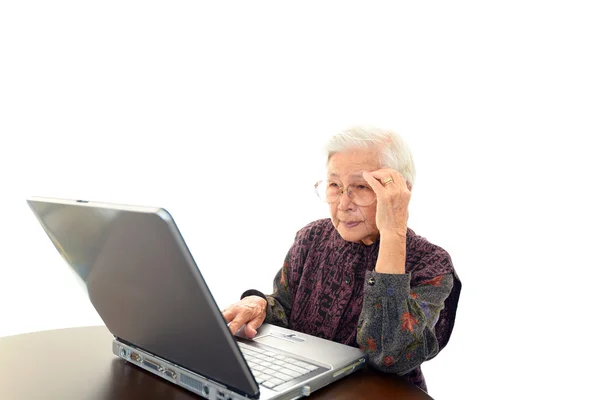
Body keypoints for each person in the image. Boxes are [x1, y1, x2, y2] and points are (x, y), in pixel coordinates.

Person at [221, 126, 461, 392]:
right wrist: (260, 304)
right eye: (335, 185)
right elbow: (285, 309)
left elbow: (389, 355)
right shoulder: (311, 237)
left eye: (361, 186)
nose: (343, 203)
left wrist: (394, 232)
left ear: (399, 193)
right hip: (306, 388)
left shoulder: (431, 264)